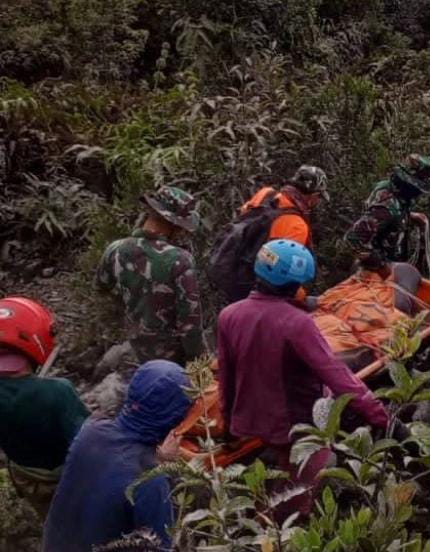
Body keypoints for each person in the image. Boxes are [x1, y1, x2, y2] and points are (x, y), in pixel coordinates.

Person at [216, 239, 389, 518]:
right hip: (295, 424)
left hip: (250, 417)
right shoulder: (298, 324)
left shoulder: (229, 315)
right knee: (302, 487)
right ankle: (285, 522)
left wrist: (228, 424)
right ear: (296, 284)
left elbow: (227, 375)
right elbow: (338, 376)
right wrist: (382, 417)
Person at [43, 360, 192, 552]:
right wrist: (166, 467)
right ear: (175, 416)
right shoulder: (150, 480)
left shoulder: (92, 430)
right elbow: (161, 546)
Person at [0, 297, 89, 517]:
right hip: (64, 478)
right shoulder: (58, 391)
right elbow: (87, 442)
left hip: (25, 477)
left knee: (49, 518)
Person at [96, 185, 204, 365]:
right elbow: (190, 323)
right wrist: (199, 364)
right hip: (172, 357)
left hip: (135, 347)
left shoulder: (114, 250)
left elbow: (102, 288)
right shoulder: (180, 260)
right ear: (173, 224)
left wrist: (132, 304)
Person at [208, 165, 329, 304]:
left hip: (233, 271)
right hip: (259, 291)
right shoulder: (296, 225)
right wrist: (303, 300)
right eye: (319, 197)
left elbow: (243, 218)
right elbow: (287, 273)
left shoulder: (265, 194)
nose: (318, 201)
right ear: (312, 196)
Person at [345, 154, 430, 271]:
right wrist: (382, 266)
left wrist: (409, 216)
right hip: (373, 275)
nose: (419, 194)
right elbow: (353, 239)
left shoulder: (390, 188)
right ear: (410, 186)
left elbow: (387, 213)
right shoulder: (386, 208)